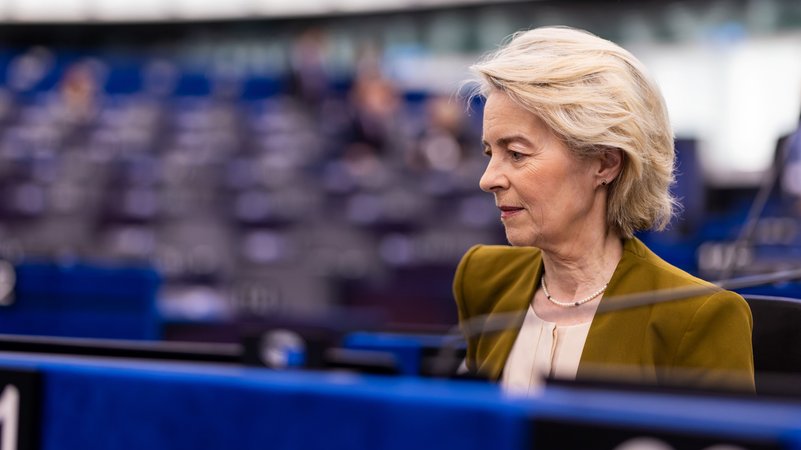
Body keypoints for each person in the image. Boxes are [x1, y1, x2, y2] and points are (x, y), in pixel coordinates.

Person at [453, 26, 754, 394]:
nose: (488, 179)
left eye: (516, 154)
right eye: (490, 153)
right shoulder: (482, 279)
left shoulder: (700, 316)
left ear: (605, 163)